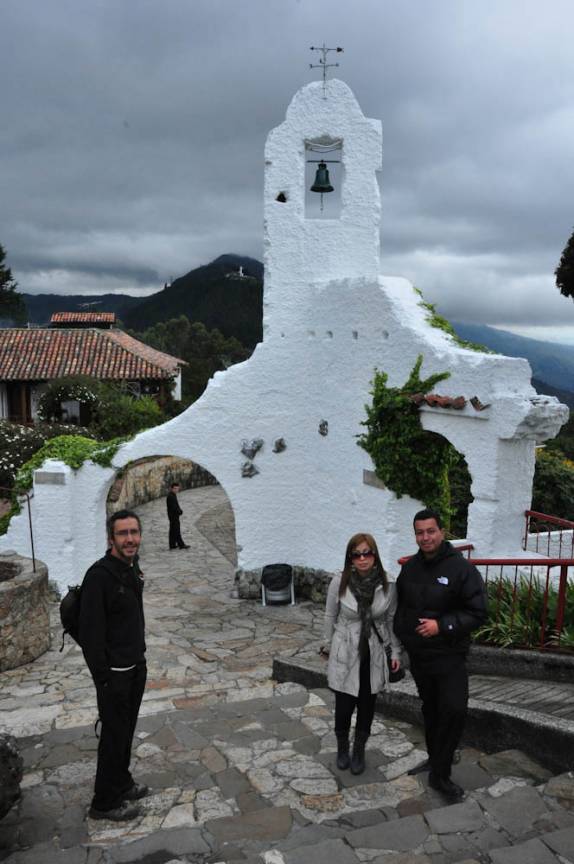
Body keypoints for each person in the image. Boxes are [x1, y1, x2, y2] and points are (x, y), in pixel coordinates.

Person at [394, 508, 487, 802]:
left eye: (430, 531)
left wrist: (442, 625)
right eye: (419, 532)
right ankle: (435, 761)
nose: (425, 538)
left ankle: (441, 775)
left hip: (449, 655)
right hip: (420, 658)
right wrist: (403, 642)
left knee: (454, 710)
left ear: (442, 532)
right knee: (431, 710)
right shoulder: (410, 568)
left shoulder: (461, 569)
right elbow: (401, 609)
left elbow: (478, 612)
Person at [79, 510, 149, 821]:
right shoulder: (99, 576)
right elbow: (90, 633)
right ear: (111, 538)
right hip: (114, 676)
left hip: (135, 666)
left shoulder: (131, 568)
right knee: (113, 735)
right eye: (123, 533)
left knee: (126, 730)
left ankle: (122, 782)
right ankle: (104, 802)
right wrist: (103, 679)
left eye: (134, 532)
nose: (130, 539)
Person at [320, 533, 401, 775]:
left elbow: (390, 619)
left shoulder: (388, 583)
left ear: (375, 555)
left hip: (374, 651)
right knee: (344, 705)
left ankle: (359, 750)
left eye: (367, 553)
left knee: (367, 704)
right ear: (350, 558)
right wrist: (327, 645)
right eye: (356, 554)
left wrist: (395, 652)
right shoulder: (339, 581)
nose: (362, 559)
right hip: (345, 649)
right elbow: (330, 615)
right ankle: (342, 747)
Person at [167, 481, 189, 550]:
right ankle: (181, 545)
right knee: (176, 530)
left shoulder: (173, 495)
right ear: (172, 488)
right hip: (173, 516)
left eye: (177, 488)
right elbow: (174, 508)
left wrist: (179, 510)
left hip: (173, 516)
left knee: (173, 530)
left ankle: (172, 545)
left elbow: (176, 505)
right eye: (175, 488)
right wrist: (180, 512)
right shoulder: (171, 496)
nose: (176, 490)